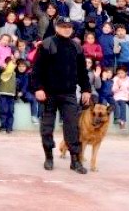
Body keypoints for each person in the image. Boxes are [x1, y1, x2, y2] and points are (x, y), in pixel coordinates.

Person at [30, 16, 92, 174]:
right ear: (56, 27)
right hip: (48, 94)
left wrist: (86, 89)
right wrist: (38, 88)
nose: (66, 29)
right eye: (63, 26)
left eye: (69, 26)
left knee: (72, 127)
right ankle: (49, 157)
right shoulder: (46, 44)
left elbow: (82, 72)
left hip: (69, 94)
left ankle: (75, 161)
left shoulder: (77, 47)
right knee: (47, 127)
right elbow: (37, 70)